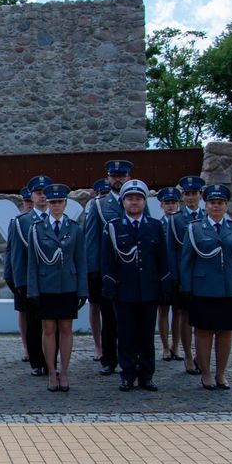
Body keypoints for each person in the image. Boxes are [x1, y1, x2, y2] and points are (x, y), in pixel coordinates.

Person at [179, 184, 232, 390]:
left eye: (220, 203)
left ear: (226, 206)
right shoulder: (195, 229)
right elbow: (187, 261)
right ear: (206, 205)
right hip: (203, 289)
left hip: (231, 288)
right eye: (212, 203)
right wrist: (186, 288)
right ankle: (206, 373)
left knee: (225, 332)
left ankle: (221, 373)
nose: (216, 206)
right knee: (203, 332)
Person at [100, 179, 171, 391]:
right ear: (122, 202)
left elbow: (162, 259)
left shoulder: (155, 226)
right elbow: (107, 260)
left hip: (149, 290)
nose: (134, 202)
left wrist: (164, 285)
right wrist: (109, 286)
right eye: (130, 199)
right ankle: (127, 374)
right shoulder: (112, 228)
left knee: (147, 335)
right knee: (126, 335)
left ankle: (147, 375)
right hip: (124, 290)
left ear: (144, 202)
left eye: (138, 199)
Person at [26, 184, 88, 393]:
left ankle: (64, 371)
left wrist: (82, 290)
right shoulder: (37, 228)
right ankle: (51, 372)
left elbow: (81, 261)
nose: (56, 206)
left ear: (65, 204)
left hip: (68, 285)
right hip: (46, 286)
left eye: (60, 202)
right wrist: (32, 290)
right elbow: (32, 262)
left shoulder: (74, 228)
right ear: (48, 204)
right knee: (49, 330)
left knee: (66, 329)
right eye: (52, 202)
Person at [86, 159, 132, 376]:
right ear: (108, 179)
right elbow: (91, 239)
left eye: (122, 176)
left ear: (128, 178)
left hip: (132, 270)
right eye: (114, 176)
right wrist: (93, 270)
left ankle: (131, 357)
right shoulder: (98, 205)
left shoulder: (135, 200)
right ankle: (109, 359)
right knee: (110, 318)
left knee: (132, 318)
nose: (118, 179)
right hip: (108, 270)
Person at [6, 176, 53, 377]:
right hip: (30, 281)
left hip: (53, 281)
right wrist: (19, 282)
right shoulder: (21, 222)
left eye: (45, 192)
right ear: (31, 196)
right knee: (34, 324)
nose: (42, 196)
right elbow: (16, 254)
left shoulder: (58, 220)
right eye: (38, 193)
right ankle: (37, 361)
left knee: (53, 323)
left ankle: (52, 360)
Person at [170, 175, 206, 375]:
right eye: (187, 194)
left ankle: (202, 355)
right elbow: (171, 250)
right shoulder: (176, 220)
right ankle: (187, 355)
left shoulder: (207, 217)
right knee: (183, 315)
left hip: (203, 275)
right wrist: (175, 277)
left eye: (194, 194)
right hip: (183, 276)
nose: (191, 198)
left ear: (201, 195)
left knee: (201, 318)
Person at [6, 186, 33, 363]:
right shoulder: (17, 222)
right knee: (23, 310)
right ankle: (26, 345)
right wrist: (10, 275)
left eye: (32, 201)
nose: (30, 205)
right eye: (27, 201)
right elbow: (11, 251)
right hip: (22, 274)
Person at [85, 179, 111, 361]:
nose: (104, 197)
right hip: (98, 266)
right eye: (101, 193)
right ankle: (97, 344)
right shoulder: (95, 208)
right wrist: (92, 267)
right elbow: (90, 239)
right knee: (95, 306)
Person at [156, 186, 182, 361]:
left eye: (173, 203)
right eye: (167, 203)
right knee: (163, 310)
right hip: (163, 274)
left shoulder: (182, 224)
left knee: (179, 312)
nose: (170, 206)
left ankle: (176, 346)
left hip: (178, 274)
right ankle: (165, 346)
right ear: (161, 206)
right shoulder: (158, 225)